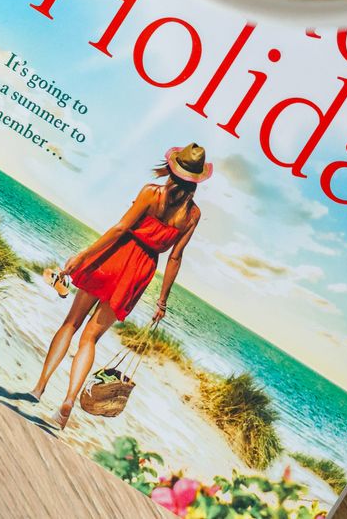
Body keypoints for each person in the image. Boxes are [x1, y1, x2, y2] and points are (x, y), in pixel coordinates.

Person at [29, 144, 211, 429]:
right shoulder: (192, 214)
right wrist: (162, 301)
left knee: (71, 323)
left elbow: (120, 228)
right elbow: (175, 257)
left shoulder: (152, 193)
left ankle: (39, 388)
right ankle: (68, 401)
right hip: (139, 272)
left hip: (114, 256)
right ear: (196, 180)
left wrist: (83, 255)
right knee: (90, 339)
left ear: (173, 169)